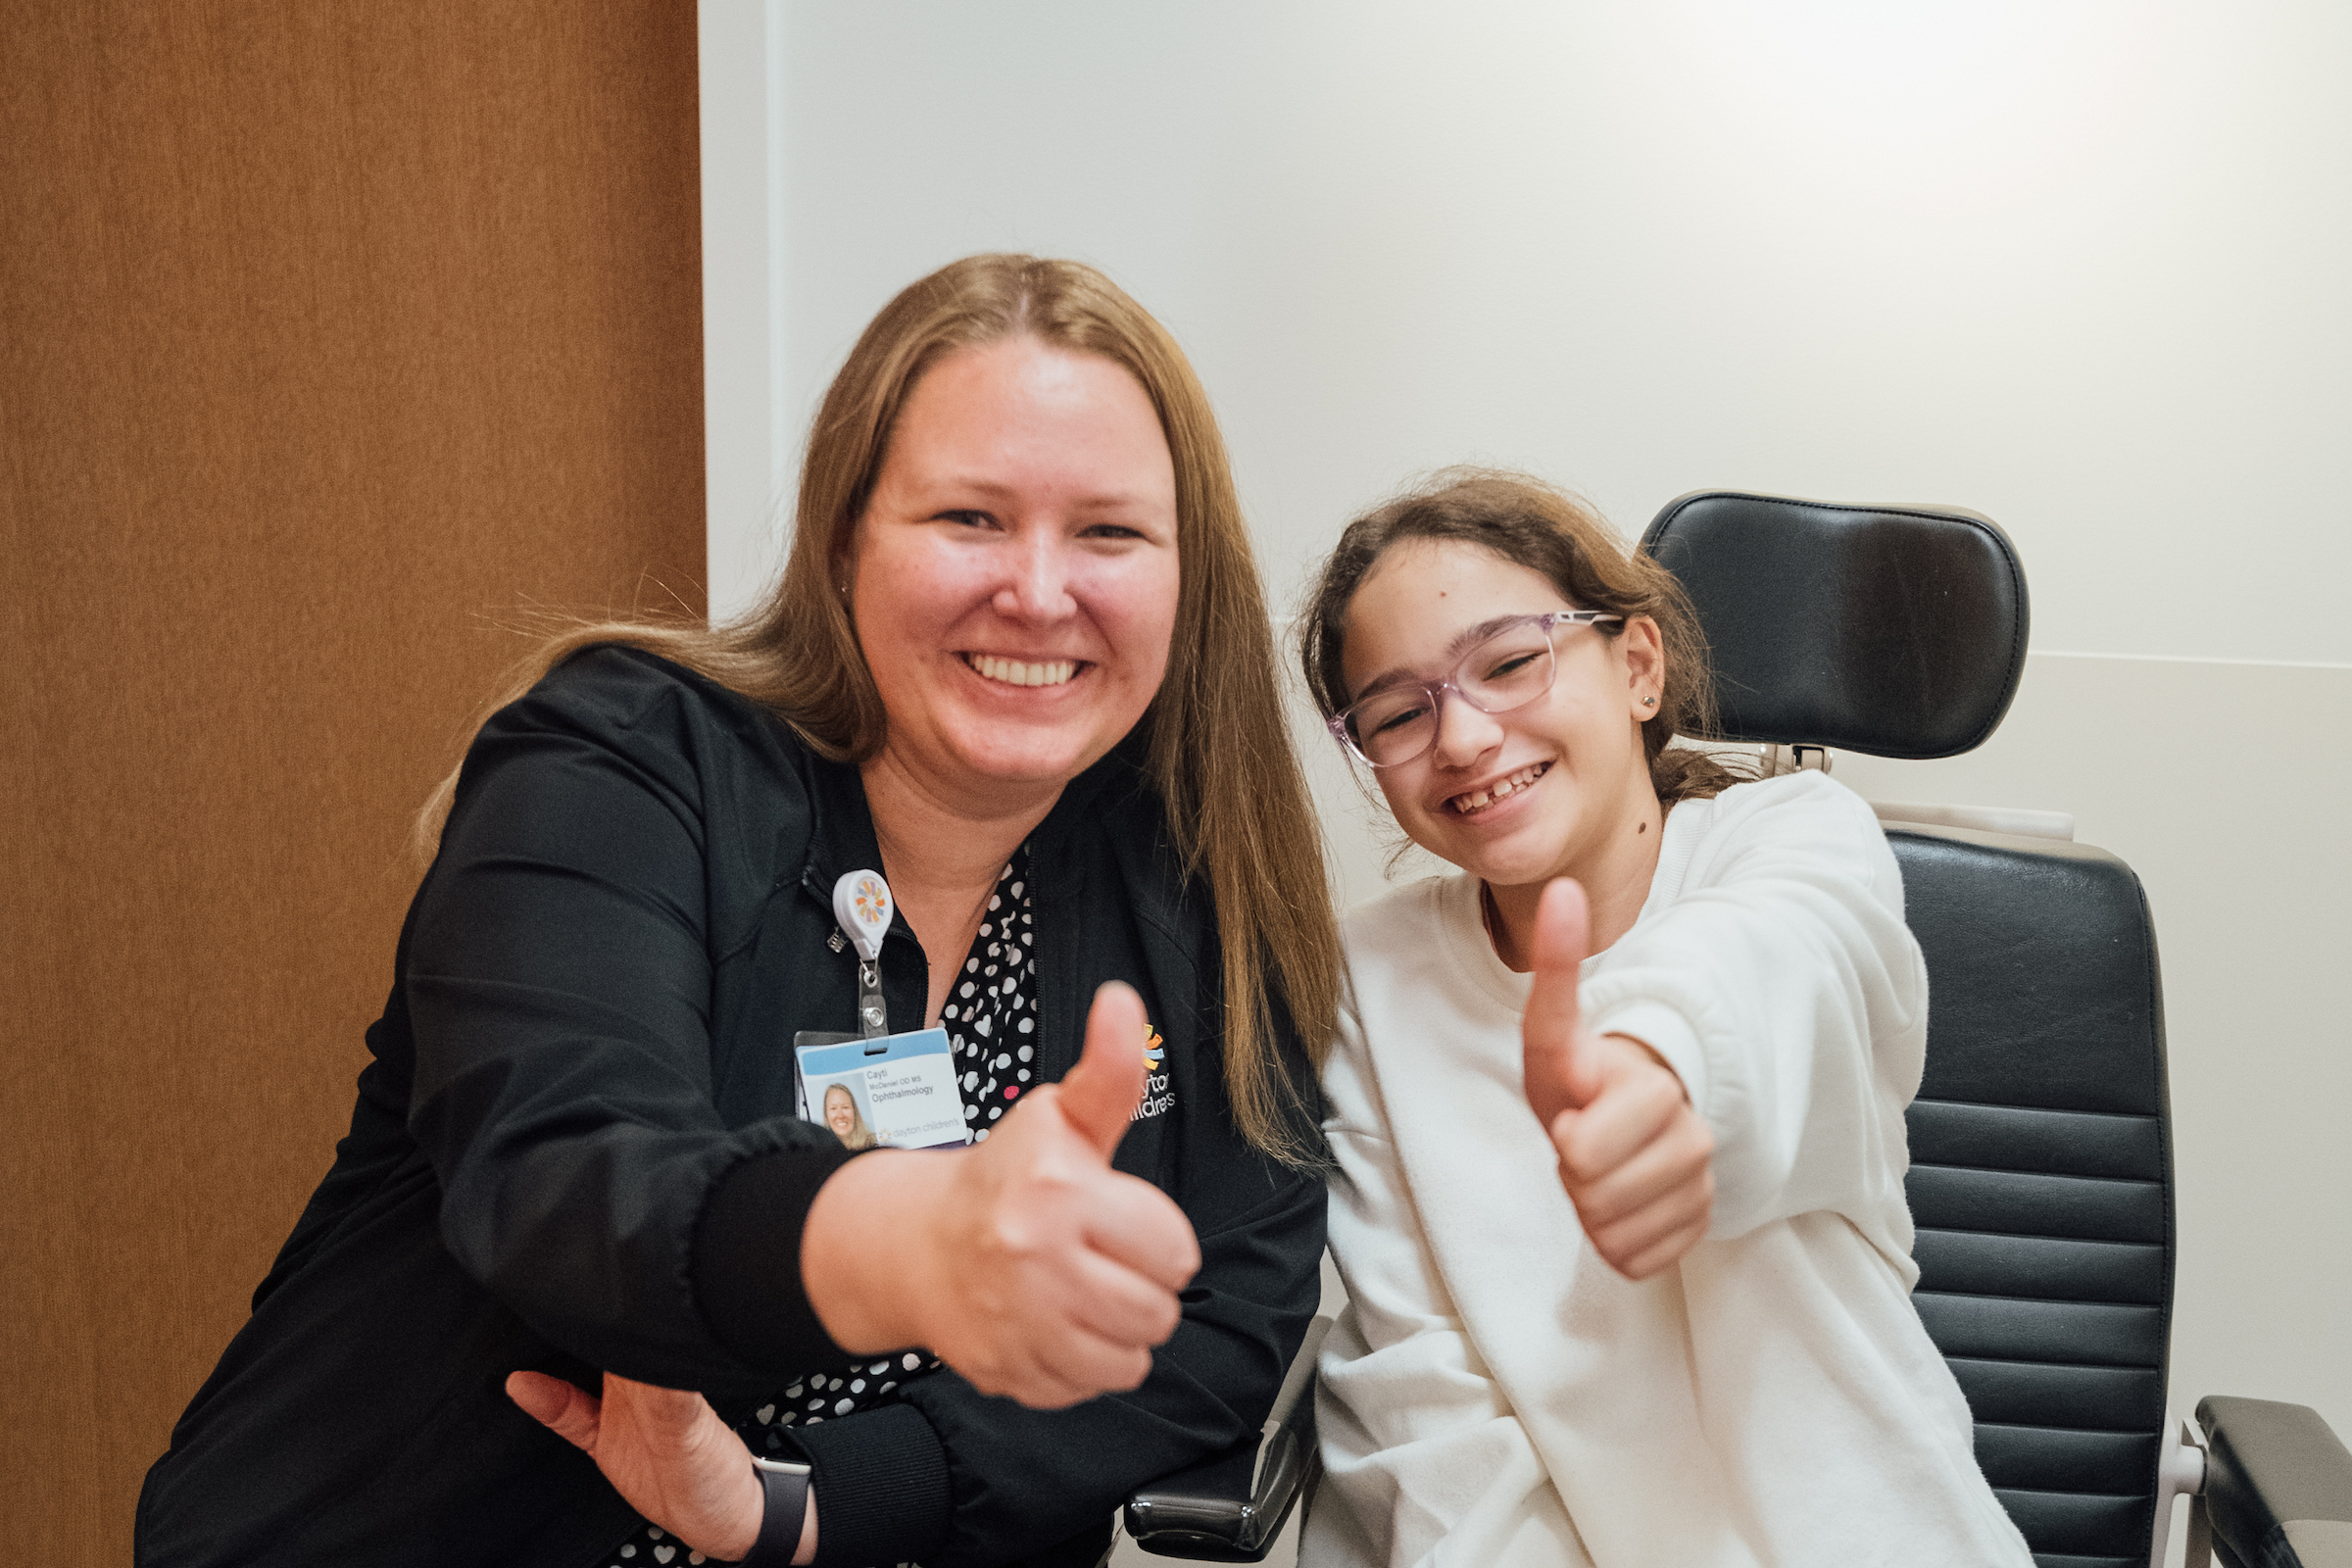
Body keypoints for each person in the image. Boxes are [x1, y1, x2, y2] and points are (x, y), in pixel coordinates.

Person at [134, 255, 1340, 1568]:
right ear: (842, 542)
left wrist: (808, 1504)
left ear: (1184, 579)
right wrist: (912, 1241)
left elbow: (1225, 1318)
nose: (1040, 591)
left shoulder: (1180, 882)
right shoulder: (622, 764)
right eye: (969, 519)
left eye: (1109, 532)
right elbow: (574, 1172)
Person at [1292, 472, 2033, 1566]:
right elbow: (1426, 1422)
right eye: (1400, 712)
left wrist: (1661, 1065)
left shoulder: (1796, 837)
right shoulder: (1372, 977)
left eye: (1508, 662)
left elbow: (1780, 957)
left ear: (1638, 667)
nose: (1461, 738)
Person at [820, 1084, 875, 1152]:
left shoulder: (871, 1147)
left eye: (845, 1107)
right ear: (826, 1115)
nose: (840, 1115)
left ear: (854, 1111)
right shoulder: (820, 1152)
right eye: (833, 1108)